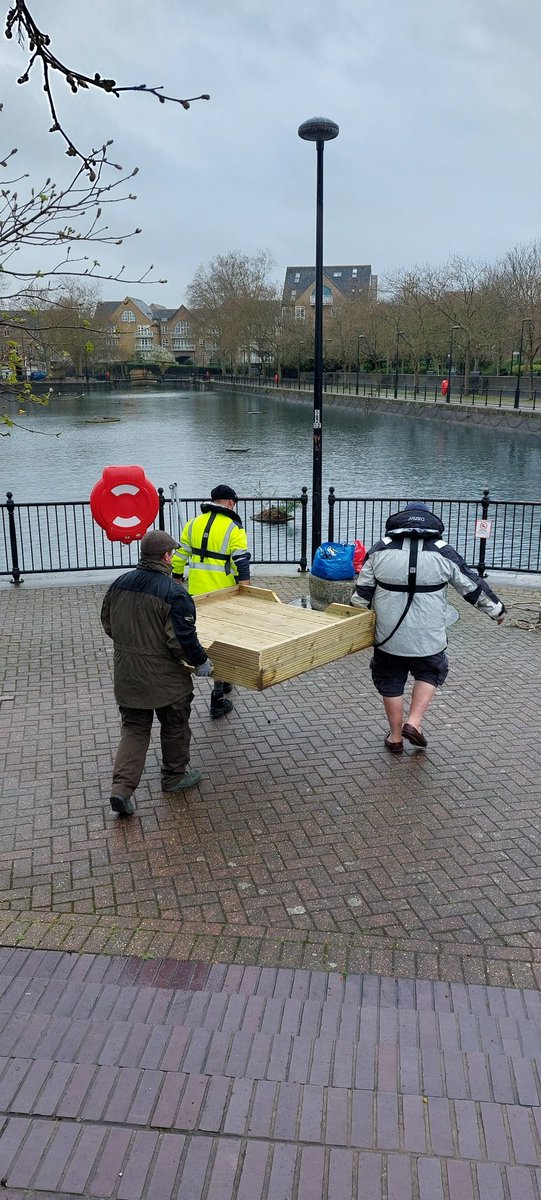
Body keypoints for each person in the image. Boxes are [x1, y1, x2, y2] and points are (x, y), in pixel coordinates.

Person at [350, 501, 505, 753]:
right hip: (428, 637)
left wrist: (353, 620)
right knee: (429, 672)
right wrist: (496, 610)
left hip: (389, 637)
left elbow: (361, 595)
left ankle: (395, 737)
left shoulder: (379, 550)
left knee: (390, 680)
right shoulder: (444, 552)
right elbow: (471, 586)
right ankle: (414, 722)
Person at [100, 529, 213, 817]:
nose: (174, 558)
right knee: (175, 723)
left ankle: (121, 790)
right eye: (172, 554)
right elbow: (182, 640)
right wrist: (201, 662)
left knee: (135, 730)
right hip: (165, 678)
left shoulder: (118, 584)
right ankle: (174, 777)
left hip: (127, 674)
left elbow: (108, 624)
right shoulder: (175, 593)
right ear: (166, 556)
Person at [172, 484, 251, 718]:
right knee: (223, 644)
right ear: (229, 502)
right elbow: (241, 560)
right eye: (234, 503)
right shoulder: (233, 527)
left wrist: (176, 579)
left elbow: (180, 555)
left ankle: (224, 680)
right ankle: (218, 698)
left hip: (197, 593)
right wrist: (246, 589)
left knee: (205, 639)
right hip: (224, 594)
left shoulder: (193, 523)